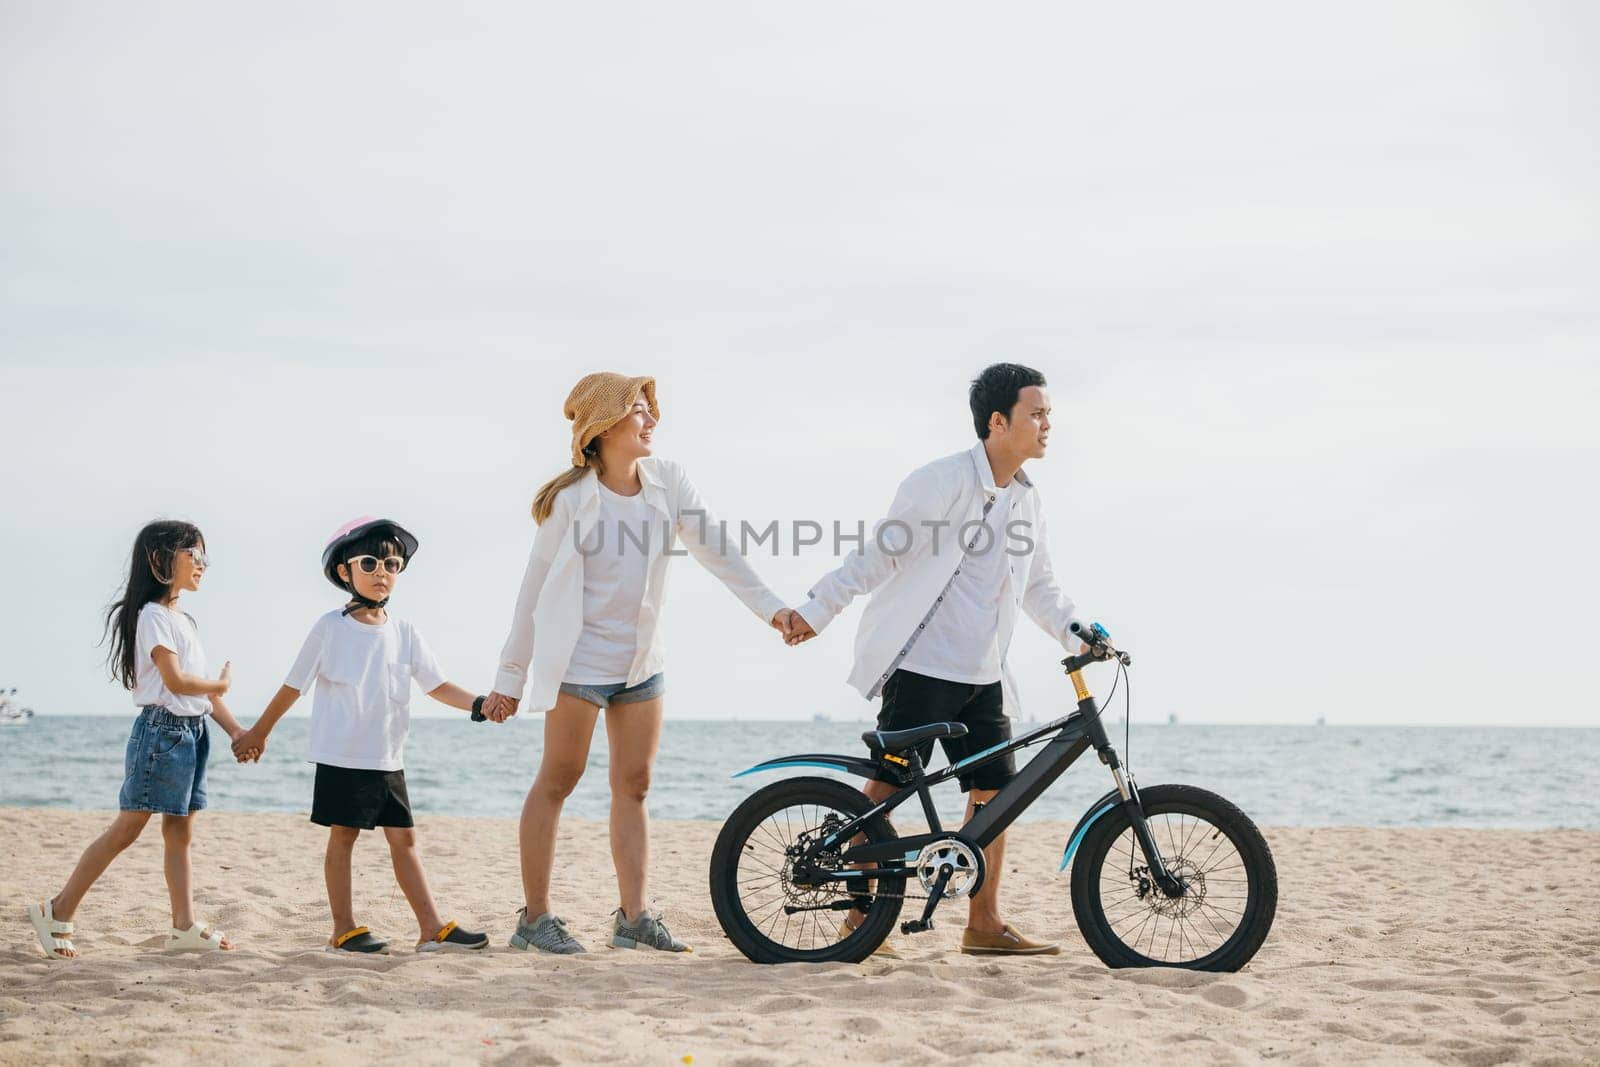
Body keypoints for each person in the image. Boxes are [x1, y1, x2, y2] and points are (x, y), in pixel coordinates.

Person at [480, 372, 797, 955]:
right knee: (558, 780)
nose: (651, 422)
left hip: (639, 666)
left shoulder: (667, 482)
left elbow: (718, 550)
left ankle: (633, 919)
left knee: (635, 785)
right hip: (577, 664)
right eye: (639, 412)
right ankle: (534, 919)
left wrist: (772, 609)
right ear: (603, 428)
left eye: (651, 411)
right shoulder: (570, 503)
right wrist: (509, 679)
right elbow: (531, 594)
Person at [785, 363, 1086, 956]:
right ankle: (857, 921)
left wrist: (1080, 633)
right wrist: (818, 609)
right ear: (998, 423)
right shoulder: (939, 482)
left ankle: (984, 924)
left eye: (1049, 413)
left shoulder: (1026, 499)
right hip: (923, 665)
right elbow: (877, 557)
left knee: (993, 798)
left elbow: (1040, 589)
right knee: (885, 790)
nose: (1049, 424)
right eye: (1037, 413)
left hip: (985, 675)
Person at [231, 518, 491, 954]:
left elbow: (437, 685)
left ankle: (431, 928)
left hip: (388, 755)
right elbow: (295, 684)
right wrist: (259, 732)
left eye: (391, 563)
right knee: (344, 836)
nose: (381, 571)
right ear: (343, 572)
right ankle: (343, 928)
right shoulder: (330, 627)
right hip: (344, 754)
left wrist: (480, 705)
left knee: (404, 839)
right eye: (368, 562)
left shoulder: (404, 631)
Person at [28, 520, 247, 958]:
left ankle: (183, 925)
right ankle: (57, 909)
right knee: (127, 828)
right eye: (195, 555)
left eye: (205, 557)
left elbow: (198, 695)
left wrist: (238, 731)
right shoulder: (151, 616)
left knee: (180, 832)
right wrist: (218, 686)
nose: (203, 565)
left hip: (191, 733)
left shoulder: (182, 619)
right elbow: (178, 682)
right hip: (162, 734)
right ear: (160, 560)